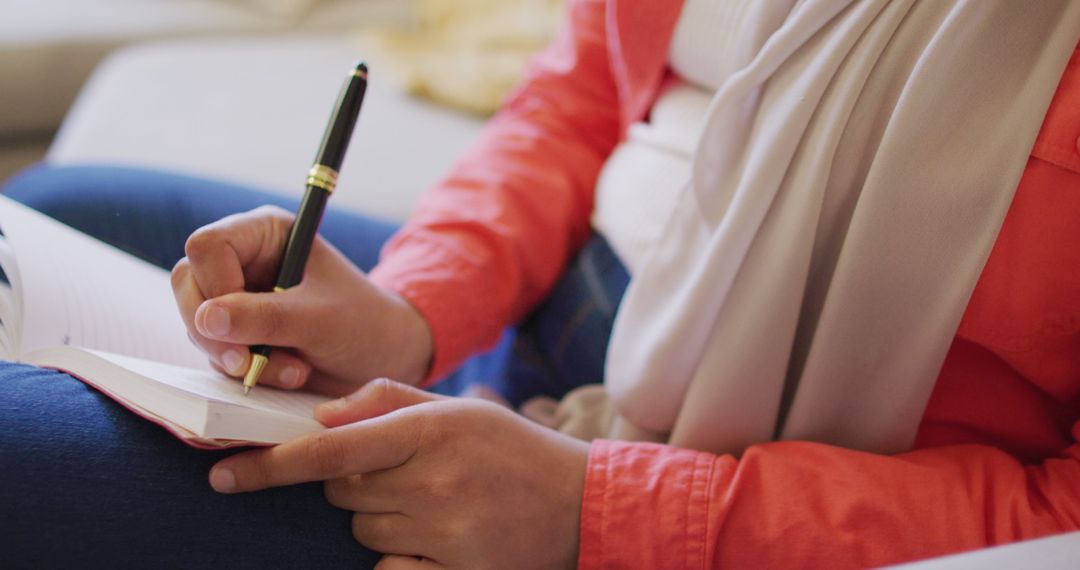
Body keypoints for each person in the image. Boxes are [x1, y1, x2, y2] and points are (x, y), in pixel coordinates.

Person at [4, 0, 1080, 567]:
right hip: (557, 307)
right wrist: (414, 308)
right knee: (66, 197)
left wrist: (595, 513)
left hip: (750, 487)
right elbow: (577, 103)